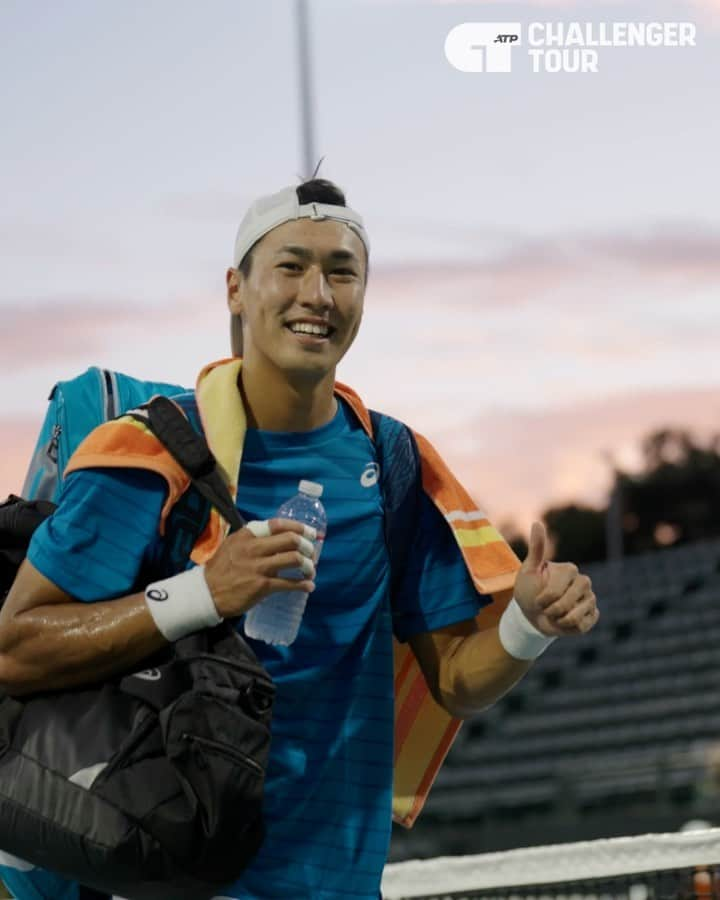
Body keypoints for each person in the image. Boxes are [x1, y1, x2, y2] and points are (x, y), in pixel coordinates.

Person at [0, 179, 599, 900]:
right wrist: (203, 593)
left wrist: (527, 625)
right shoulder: (147, 454)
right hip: (160, 880)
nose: (317, 292)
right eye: (290, 266)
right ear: (236, 290)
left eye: (342, 271)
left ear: (362, 299)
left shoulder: (398, 463)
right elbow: (16, 648)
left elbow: (457, 683)